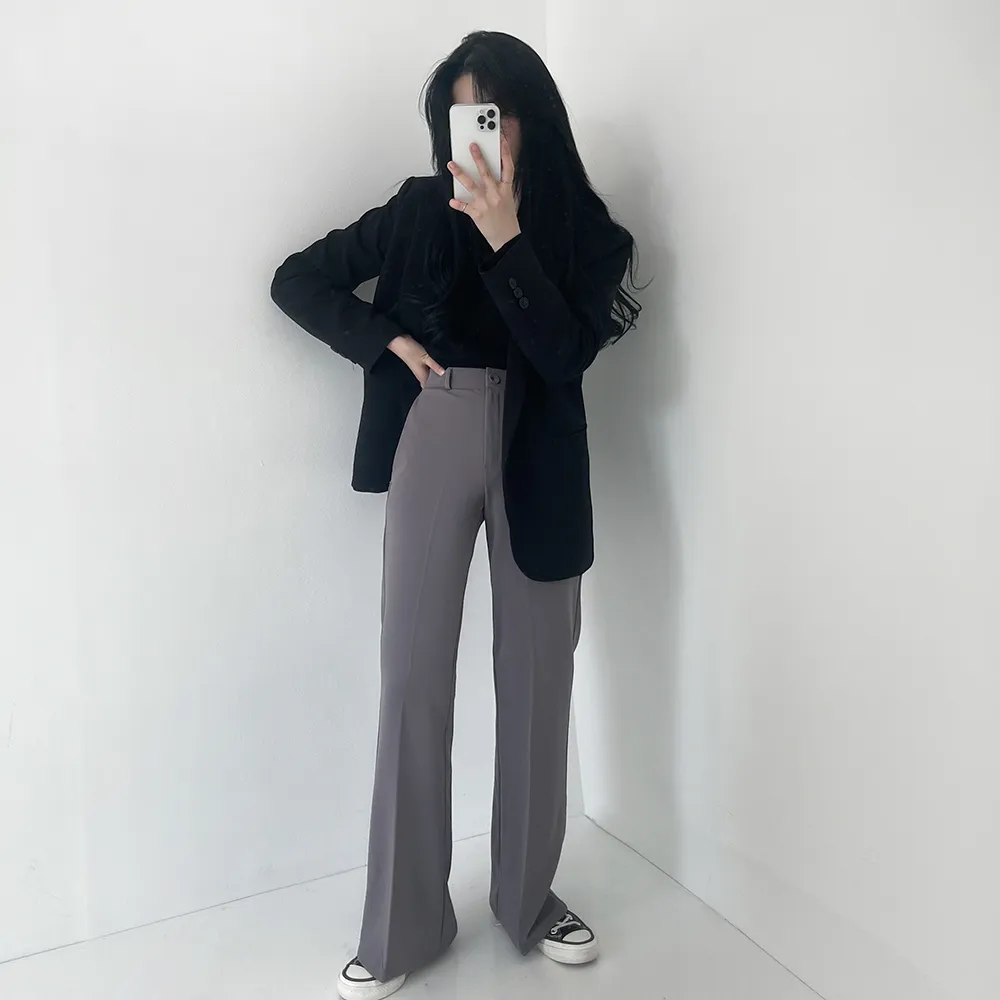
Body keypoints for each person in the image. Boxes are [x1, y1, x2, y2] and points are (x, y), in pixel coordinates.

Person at [270, 29, 641, 1000]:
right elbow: (296, 278)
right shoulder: (414, 207)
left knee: (537, 680)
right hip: (433, 427)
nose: (480, 134)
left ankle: (528, 899)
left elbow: (562, 355)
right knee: (412, 676)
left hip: (538, 447)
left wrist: (507, 238)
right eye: (465, 115)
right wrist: (384, 338)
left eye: (496, 114)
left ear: (532, 120)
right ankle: (402, 923)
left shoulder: (585, 231)